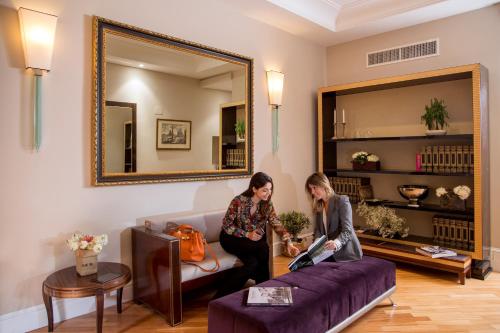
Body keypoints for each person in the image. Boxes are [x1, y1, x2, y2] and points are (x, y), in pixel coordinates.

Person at [215, 172, 300, 298]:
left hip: (249, 243)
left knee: (252, 263)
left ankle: (220, 297)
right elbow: (227, 226)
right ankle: (264, 289)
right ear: (254, 189)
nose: (269, 193)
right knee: (263, 248)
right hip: (231, 238)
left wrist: (289, 243)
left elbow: (276, 223)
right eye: (265, 190)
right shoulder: (238, 201)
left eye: (270, 190)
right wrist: (247, 234)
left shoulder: (267, 204)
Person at [305, 172, 362, 262]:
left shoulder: (342, 201)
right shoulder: (319, 205)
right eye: (310, 189)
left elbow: (347, 230)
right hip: (327, 251)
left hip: (345, 253)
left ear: (323, 185)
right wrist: (316, 245)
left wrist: (336, 243)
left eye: (314, 188)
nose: (312, 192)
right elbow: (318, 230)